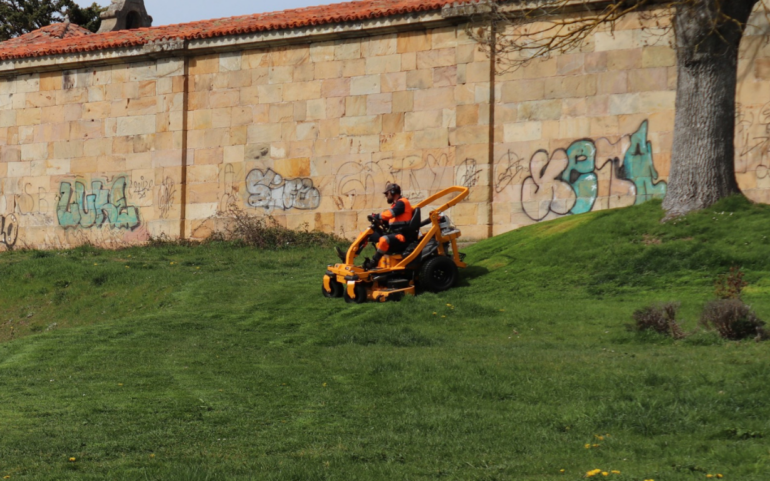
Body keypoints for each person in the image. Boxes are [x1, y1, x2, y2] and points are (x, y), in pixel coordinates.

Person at [335, 184, 415, 270]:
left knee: (384, 239)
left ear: (392, 192)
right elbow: (389, 219)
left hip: (402, 237)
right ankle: (348, 256)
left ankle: (373, 262)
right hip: (394, 234)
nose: (386, 196)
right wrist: (380, 220)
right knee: (366, 233)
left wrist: (378, 216)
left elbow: (390, 214)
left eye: (386, 194)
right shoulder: (396, 205)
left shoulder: (402, 202)